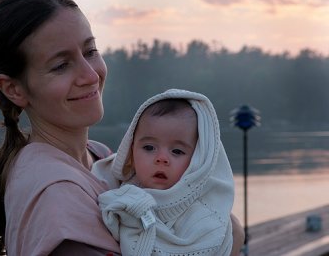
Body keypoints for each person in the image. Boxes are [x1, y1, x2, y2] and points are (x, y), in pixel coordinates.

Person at [0, 0, 244, 255]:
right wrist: (230, 238)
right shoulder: (54, 193)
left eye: (90, 51)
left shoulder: (100, 158)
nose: (90, 74)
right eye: (61, 65)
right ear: (14, 89)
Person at [92, 89, 234, 255]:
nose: (161, 158)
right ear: (131, 150)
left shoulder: (206, 215)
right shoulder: (112, 189)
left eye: (177, 151)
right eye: (149, 148)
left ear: (198, 160)